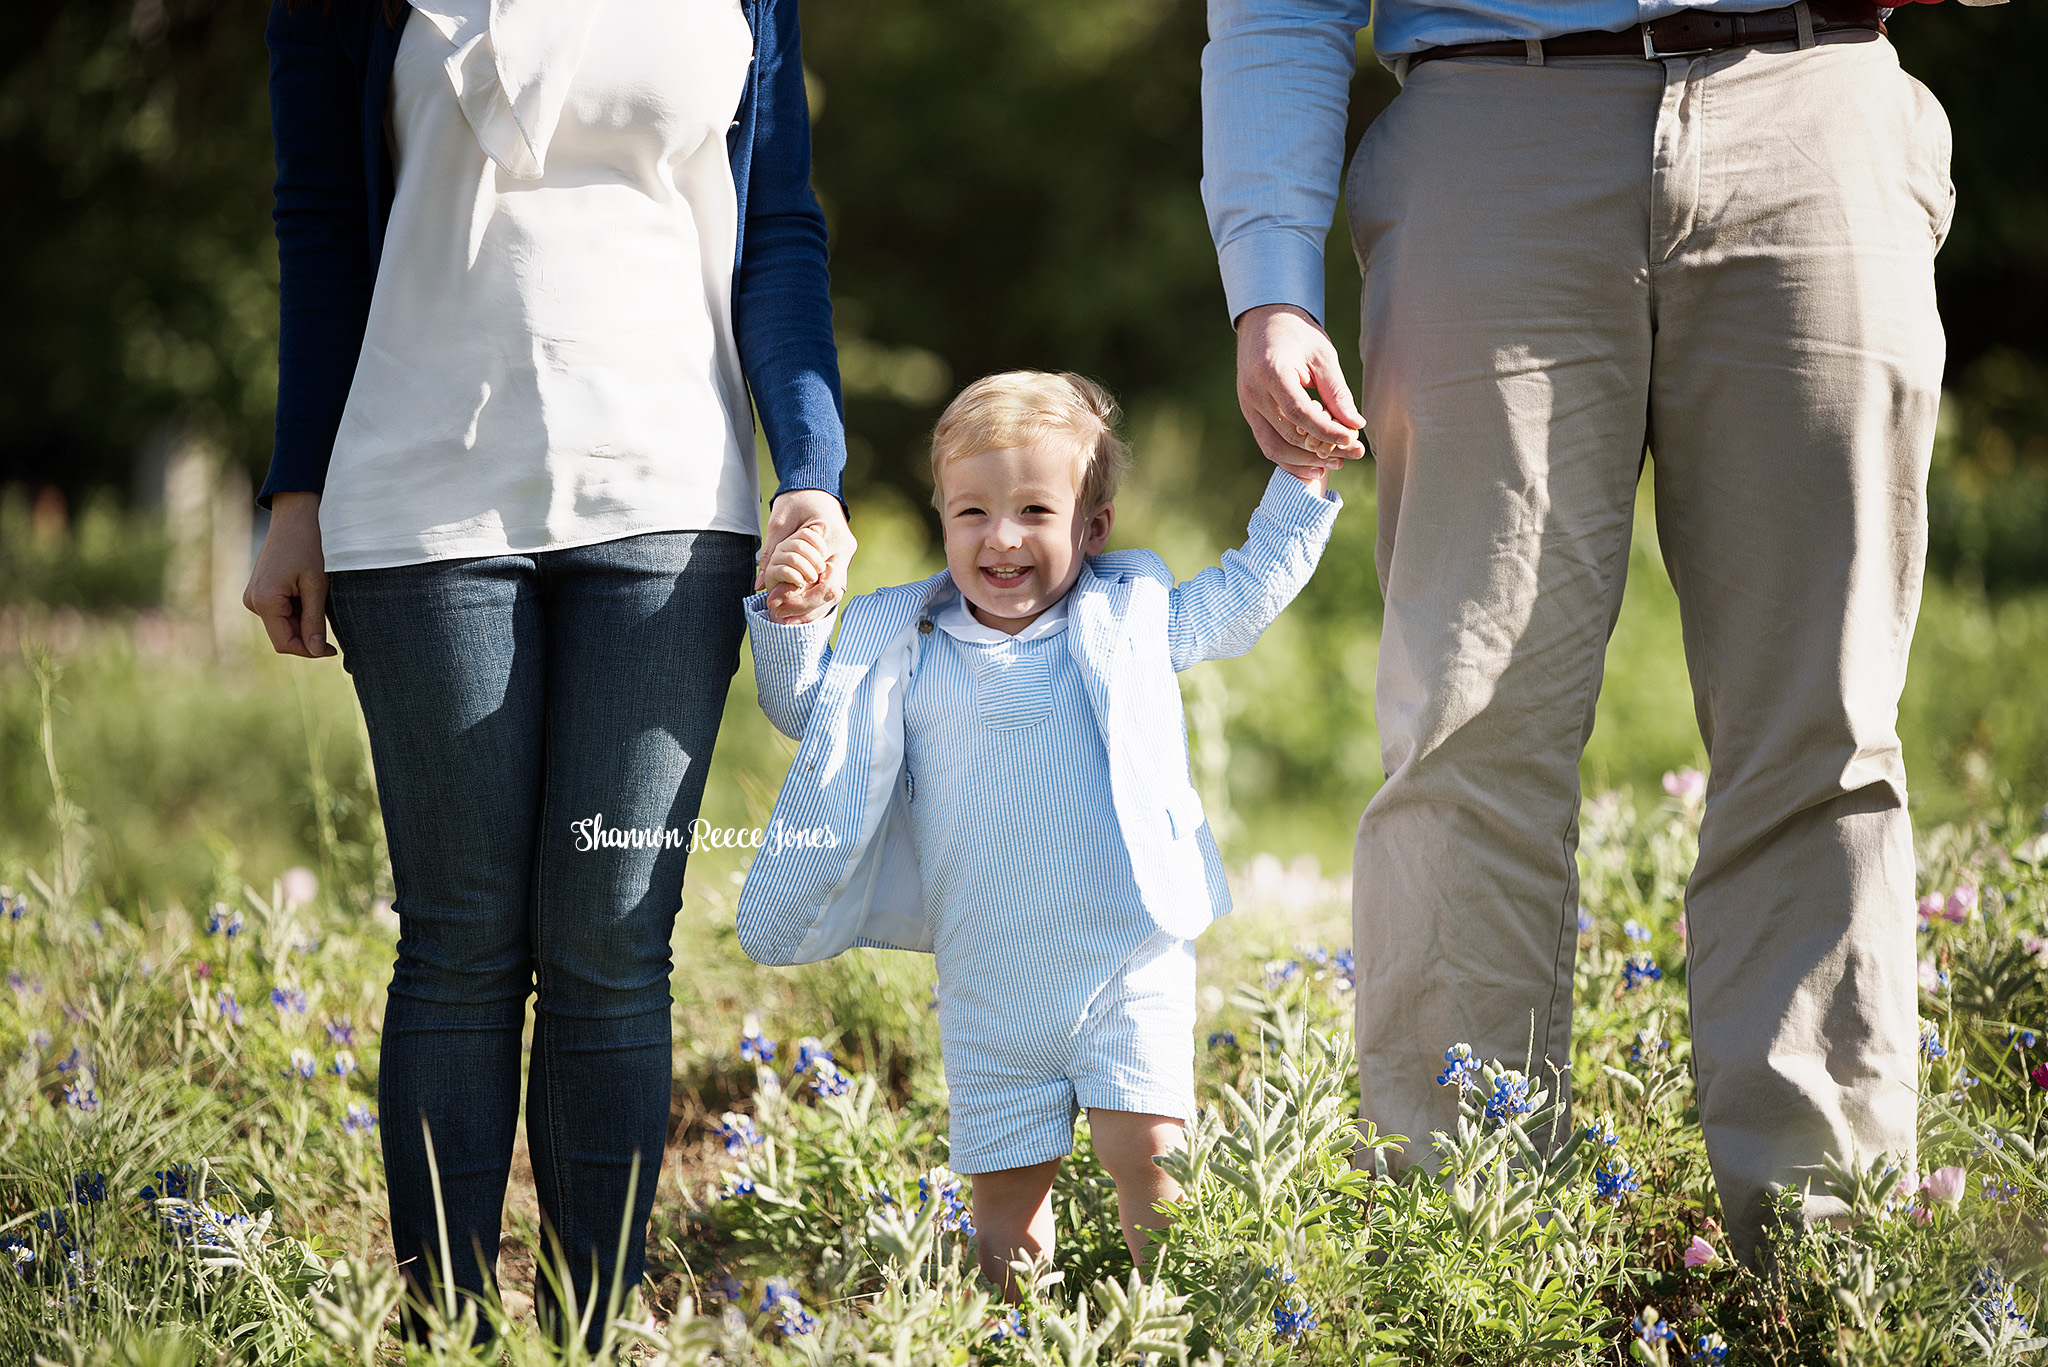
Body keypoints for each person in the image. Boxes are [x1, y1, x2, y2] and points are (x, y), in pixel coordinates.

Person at [1203, 0, 1955, 1263]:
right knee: (1464, 728)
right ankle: (1463, 1259)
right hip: (1491, 122)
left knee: (1819, 726)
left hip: (1812, 104)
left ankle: (1826, 1262)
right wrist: (1267, 278)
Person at [241, 0, 855, 1339]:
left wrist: (809, 469)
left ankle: (589, 1331)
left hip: (672, 503)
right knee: (460, 940)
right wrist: (295, 488)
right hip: (419, 503)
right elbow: (324, 222)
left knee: (613, 947)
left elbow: (781, 228)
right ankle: (445, 1327)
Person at [734, 372, 1342, 1289]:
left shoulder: (1127, 622)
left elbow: (1240, 596)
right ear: (941, 517)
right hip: (989, 979)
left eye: (1034, 509)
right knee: (1006, 1214)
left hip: (1123, 953)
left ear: (1091, 528)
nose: (1002, 536)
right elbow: (807, 710)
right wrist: (797, 615)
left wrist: (1301, 484)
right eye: (972, 511)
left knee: (1152, 1149)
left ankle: (1177, 1318)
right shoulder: (907, 644)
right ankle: (1023, 1333)